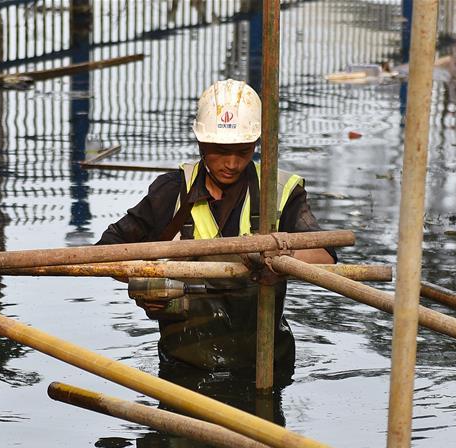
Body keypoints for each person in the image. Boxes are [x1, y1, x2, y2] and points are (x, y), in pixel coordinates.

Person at [97, 80, 335, 372]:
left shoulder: (279, 191)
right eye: (220, 151)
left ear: (257, 144)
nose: (232, 163)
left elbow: (325, 256)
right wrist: (148, 282)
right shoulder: (172, 192)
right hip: (184, 366)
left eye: (243, 151)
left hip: (265, 367)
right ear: (201, 143)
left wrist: (281, 259)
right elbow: (105, 254)